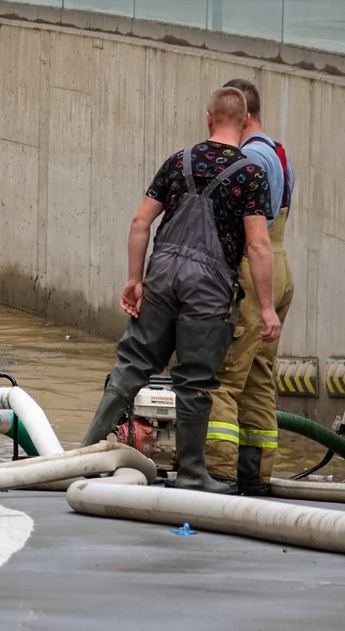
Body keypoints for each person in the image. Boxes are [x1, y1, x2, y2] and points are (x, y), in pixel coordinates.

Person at [79, 87, 280, 494]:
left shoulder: (178, 161)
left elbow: (140, 223)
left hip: (164, 273)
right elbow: (258, 244)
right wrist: (267, 307)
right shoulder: (250, 174)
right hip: (209, 286)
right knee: (194, 380)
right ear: (244, 124)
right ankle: (193, 474)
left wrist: (135, 279)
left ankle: (83, 455)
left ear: (208, 118)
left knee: (133, 363)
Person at [205, 79, 296, 495]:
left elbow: (252, 235)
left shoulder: (251, 158)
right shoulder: (278, 152)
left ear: (243, 117)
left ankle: (219, 476)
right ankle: (255, 478)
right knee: (258, 378)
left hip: (253, 270)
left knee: (222, 377)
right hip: (279, 269)